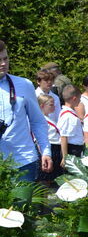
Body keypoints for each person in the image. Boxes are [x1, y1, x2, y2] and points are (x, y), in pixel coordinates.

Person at [0, 42, 53, 182]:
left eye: (5, 59)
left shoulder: (23, 85)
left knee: (21, 204)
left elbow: (37, 121)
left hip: (23, 160)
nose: (3, 64)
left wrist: (46, 150)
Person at [37, 93, 61, 182]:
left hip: (55, 148)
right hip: (49, 147)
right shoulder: (41, 120)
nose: (54, 106)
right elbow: (39, 139)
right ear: (42, 106)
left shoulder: (49, 118)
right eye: (51, 104)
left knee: (52, 177)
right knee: (45, 177)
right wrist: (43, 154)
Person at [58, 85, 85, 164]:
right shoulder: (67, 116)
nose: (80, 101)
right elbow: (63, 137)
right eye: (79, 99)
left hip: (76, 148)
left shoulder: (71, 113)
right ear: (74, 98)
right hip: (71, 149)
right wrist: (65, 157)